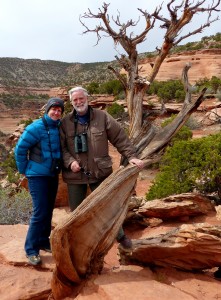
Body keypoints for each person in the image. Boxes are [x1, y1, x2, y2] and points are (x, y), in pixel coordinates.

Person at [59, 86, 144, 248]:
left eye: (81, 98)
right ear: (71, 102)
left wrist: (131, 156)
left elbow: (119, 138)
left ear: (87, 99)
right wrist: (70, 162)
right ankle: (79, 244)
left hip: (100, 172)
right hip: (75, 175)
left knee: (108, 208)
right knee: (77, 212)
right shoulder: (65, 123)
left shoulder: (102, 116)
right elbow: (61, 148)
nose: (79, 102)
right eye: (75, 100)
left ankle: (120, 237)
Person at [14, 97, 64, 266]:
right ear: (47, 110)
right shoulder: (35, 127)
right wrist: (24, 169)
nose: (56, 112)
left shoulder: (58, 126)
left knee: (48, 210)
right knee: (40, 212)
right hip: (37, 176)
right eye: (54, 109)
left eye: (59, 110)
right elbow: (20, 149)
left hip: (52, 174)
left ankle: (43, 240)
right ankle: (31, 249)